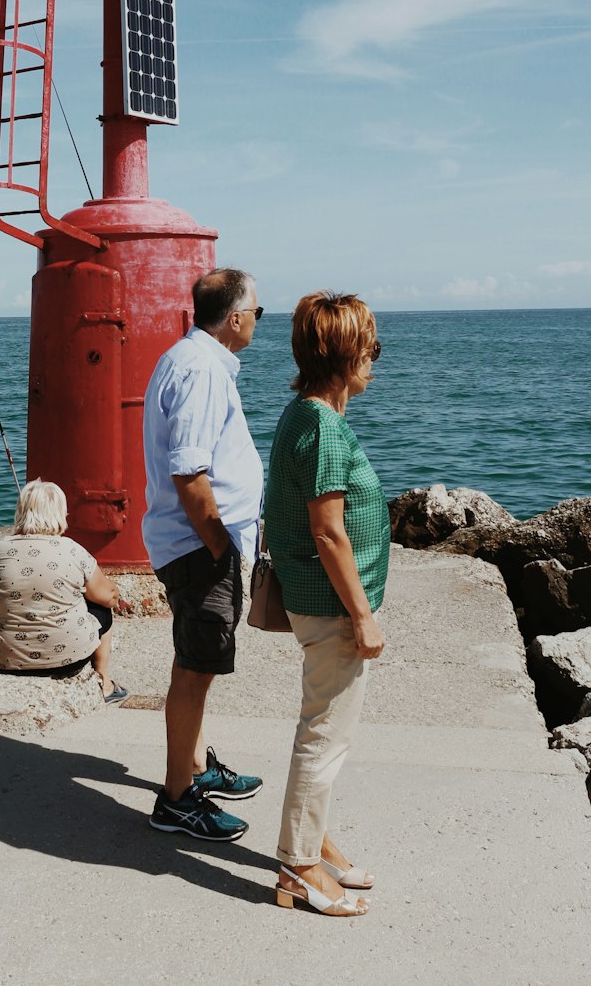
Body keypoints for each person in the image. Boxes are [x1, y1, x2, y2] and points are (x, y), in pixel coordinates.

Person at [263, 291, 390, 918]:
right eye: (370, 346)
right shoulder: (320, 424)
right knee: (325, 734)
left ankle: (313, 840)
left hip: (318, 598)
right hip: (331, 605)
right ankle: (299, 865)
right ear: (344, 354)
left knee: (326, 729)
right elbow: (329, 530)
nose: (375, 358)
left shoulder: (305, 415)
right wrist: (363, 614)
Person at [142, 267, 265, 841]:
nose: (258, 322)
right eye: (258, 312)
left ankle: (191, 768)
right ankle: (177, 800)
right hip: (198, 544)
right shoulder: (202, 369)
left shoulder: (192, 360)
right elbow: (190, 470)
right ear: (235, 318)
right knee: (196, 668)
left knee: (195, 661)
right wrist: (219, 546)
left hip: (191, 543)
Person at [0, 479, 128, 703]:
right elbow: (108, 597)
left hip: (6, 660)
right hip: (68, 660)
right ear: (61, 512)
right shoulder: (71, 549)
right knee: (101, 610)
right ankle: (104, 682)